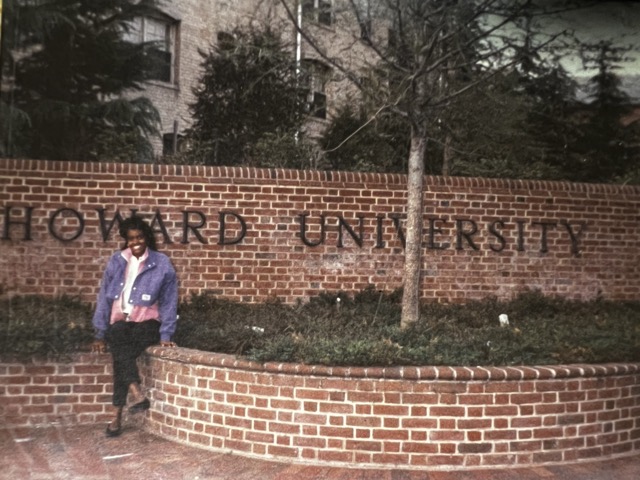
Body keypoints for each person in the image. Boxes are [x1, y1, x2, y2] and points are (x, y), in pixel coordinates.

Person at [91, 215, 178, 437]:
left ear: (146, 237)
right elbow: (104, 298)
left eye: (139, 237)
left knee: (121, 357)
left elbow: (169, 301)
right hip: (122, 321)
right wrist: (100, 333)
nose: (135, 242)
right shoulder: (117, 261)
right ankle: (135, 392)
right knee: (120, 344)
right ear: (126, 240)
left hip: (148, 322)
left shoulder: (161, 263)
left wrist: (166, 334)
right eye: (130, 238)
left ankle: (117, 415)